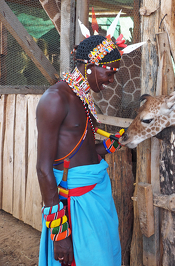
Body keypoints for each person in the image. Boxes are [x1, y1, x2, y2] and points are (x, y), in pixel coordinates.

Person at [36, 33, 126, 266]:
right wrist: (60, 234)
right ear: (91, 66)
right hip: (74, 204)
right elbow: (44, 169)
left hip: (95, 196)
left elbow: (81, 151)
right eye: (109, 72)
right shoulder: (55, 99)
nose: (112, 80)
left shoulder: (83, 97)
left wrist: (108, 145)